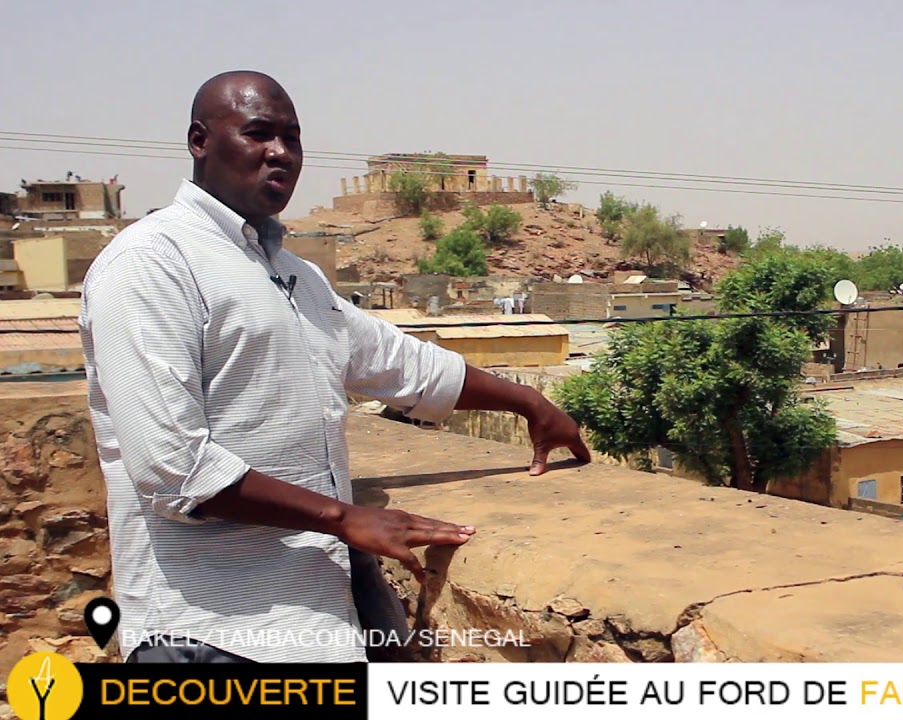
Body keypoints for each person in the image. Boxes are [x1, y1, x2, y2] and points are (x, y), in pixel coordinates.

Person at [77, 70, 591, 664]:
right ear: (200, 141)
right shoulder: (149, 264)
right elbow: (171, 466)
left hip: (317, 617)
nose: (281, 153)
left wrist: (531, 403)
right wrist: (343, 518)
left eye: (292, 138)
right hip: (209, 628)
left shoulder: (294, 274)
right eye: (259, 134)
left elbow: (402, 363)